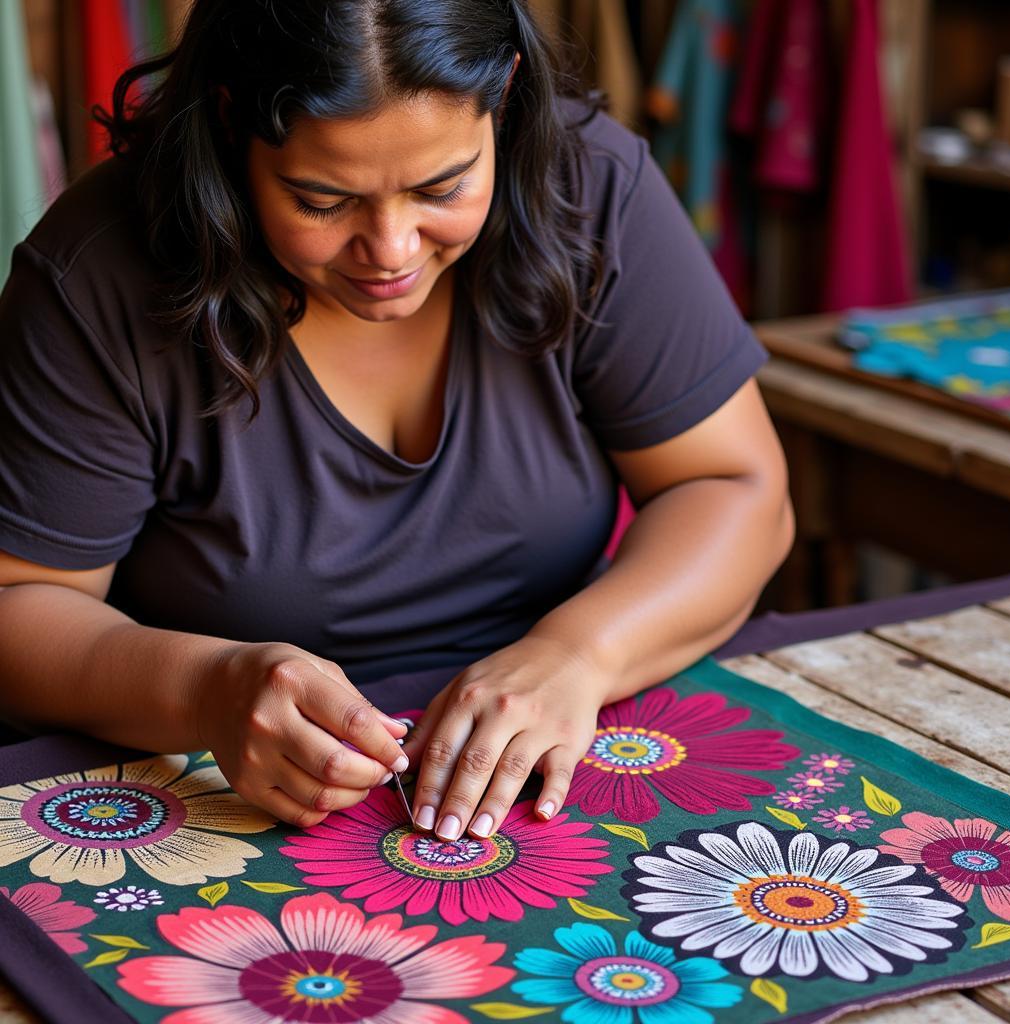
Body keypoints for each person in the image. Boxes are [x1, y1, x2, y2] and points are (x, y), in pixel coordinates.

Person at [0, 0, 793, 845]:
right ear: (233, 123)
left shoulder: (590, 188)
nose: (391, 250)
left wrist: (578, 656)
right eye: (321, 199)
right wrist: (207, 688)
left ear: (505, 93)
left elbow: (733, 484)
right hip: (210, 787)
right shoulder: (99, 273)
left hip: (554, 740)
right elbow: (21, 602)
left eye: (442, 187)